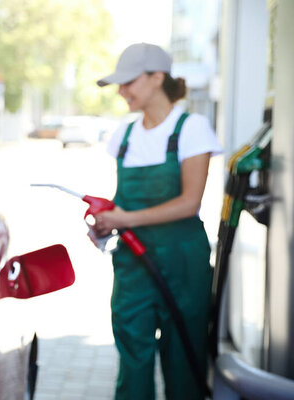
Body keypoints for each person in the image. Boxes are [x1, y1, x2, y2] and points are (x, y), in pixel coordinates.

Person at [93, 43, 222, 400]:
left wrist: (125, 217)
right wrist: (105, 221)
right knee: (132, 355)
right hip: (133, 264)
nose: (122, 92)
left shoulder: (191, 128)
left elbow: (188, 202)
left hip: (182, 261)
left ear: (157, 77)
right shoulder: (125, 134)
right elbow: (122, 201)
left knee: (183, 356)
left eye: (128, 82)